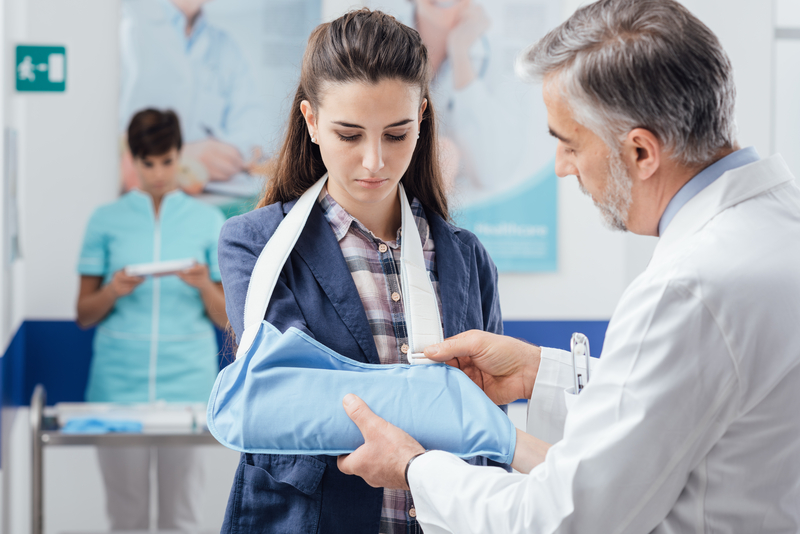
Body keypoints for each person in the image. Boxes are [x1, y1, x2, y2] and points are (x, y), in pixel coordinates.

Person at [335, 0, 800, 532]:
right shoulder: (778, 229)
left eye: (570, 144)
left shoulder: (688, 288)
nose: (561, 167)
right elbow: (700, 403)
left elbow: (558, 519)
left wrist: (413, 468)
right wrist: (538, 374)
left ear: (642, 152)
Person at [216, 9, 505, 534]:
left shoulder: (465, 257)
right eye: (349, 135)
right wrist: (443, 411)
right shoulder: (253, 244)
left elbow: (486, 422)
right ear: (311, 121)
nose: (374, 161)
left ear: (422, 117)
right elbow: (286, 404)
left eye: (397, 134)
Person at [76, 109, 227, 531]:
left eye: (166, 161)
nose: (158, 173)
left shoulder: (207, 221)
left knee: (181, 516)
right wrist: (113, 291)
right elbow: (84, 314)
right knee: (127, 516)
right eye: (148, 163)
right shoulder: (105, 221)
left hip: (188, 387)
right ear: (134, 160)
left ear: (178, 155)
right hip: (118, 388)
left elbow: (226, 318)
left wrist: (203, 284)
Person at [119, 0, 264, 191]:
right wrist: (181, 158)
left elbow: (251, 139)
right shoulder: (122, 24)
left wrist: (233, 154)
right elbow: (100, 147)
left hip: (209, 201)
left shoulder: (225, 47)